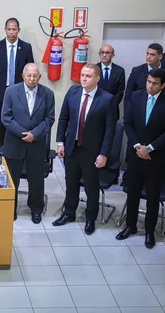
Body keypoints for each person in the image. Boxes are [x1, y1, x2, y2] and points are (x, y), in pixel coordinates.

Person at [53, 64, 115, 235]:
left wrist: (103, 153)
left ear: (97, 78)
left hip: (92, 151)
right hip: (72, 148)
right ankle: (69, 213)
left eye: (88, 76)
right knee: (71, 183)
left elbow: (110, 130)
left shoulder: (107, 99)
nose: (84, 79)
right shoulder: (73, 92)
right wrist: (60, 142)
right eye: (82, 75)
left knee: (90, 186)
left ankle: (90, 218)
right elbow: (63, 118)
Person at [116, 69, 165, 249]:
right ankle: (130, 226)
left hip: (156, 158)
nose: (150, 86)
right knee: (133, 193)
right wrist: (137, 145)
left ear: (163, 85)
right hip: (135, 154)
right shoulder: (137, 96)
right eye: (148, 82)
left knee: (152, 197)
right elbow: (128, 122)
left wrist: (150, 148)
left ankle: (149, 231)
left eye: (155, 83)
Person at [1, 63, 55, 223]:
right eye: (29, 75)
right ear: (23, 76)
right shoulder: (11, 91)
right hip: (14, 143)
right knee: (12, 180)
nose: (32, 79)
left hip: (37, 144)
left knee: (36, 180)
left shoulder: (48, 94)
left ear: (40, 77)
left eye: (35, 76)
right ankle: (11, 209)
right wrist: (23, 133)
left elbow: (50, 119)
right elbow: (6, 117)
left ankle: (36, 209)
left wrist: (35, 134)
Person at [0, 18, 34, 154]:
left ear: (18, 30)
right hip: (1, 92)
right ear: (5, 29)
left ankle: (16, 152)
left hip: (20, 93)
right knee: (1, 124)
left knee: (18, 123)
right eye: (9, 29)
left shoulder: (26, 47)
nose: (11, 32)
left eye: (14, 29)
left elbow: (30, 71)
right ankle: (0, 152)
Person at [124, 43, 165, 109]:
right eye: (147, 53)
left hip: (161, 110)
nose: (148, 57)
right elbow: (128, 94)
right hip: (139, 109)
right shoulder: (137, 71)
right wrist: (126, 116)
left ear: (160, 57)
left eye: (152, 55)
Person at [96, 45, 125, 116]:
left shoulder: (119, 71)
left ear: (113, 55)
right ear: (99, 54)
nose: (104, 55)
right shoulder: (94, 69)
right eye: (102, 52)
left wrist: (111, 105)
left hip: (112, 109)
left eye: (107, 53)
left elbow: (120, 92)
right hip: (95, 108)